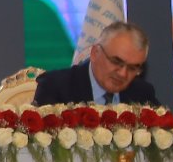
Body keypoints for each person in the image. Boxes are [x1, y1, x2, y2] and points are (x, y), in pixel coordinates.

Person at [32, 21, 163, 106]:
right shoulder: (55, 86)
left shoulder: (142, 94)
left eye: (133, 68)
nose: (123, 74)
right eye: (116, 61)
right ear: (95, 53)